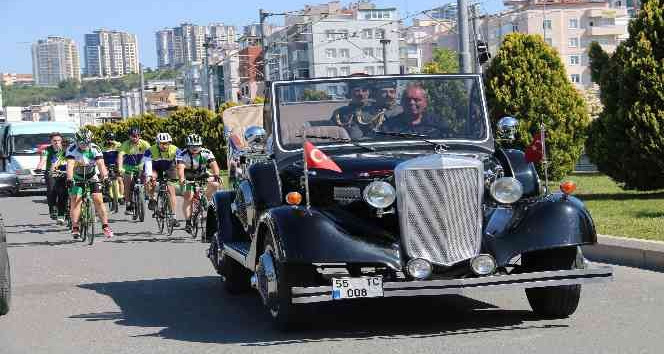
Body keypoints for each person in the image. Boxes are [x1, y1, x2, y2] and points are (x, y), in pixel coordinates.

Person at [65, 129, 114, 239]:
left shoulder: (95, 149)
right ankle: (75, 227)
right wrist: (69, 179)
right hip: (77, 177)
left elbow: (101, 165)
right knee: (75, 199)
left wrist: (105, 177)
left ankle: (105, 226)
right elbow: (70, 165)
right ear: (76, 141)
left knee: (98, 199)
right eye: (81, 143)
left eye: (86, 143)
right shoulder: (72, 149)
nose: (83, 145)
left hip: (91, 175)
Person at [176, 134, 222, 234]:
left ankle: (206, 198)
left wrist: (216, 175)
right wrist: (182, 180)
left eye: (197, 146)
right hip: (188, 176)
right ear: (188, 146)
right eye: (192, 146)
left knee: (215, 184)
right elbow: (180, 169)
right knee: (189, 195)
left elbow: (214, 166)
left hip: (202, 174)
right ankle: (188, 222)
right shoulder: (182, 154)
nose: (195, 148)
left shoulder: (207, 152)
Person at [381, 84, 448, 137]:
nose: (411, 103)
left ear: (425, 103)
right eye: (408, 99)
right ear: (402, 102)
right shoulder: (389, 126)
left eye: (416, 100)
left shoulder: (438, 124)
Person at [144, 132, 180, 227]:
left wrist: (180, 175)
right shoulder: (150, 150)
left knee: (171, 190)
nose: (164, 145)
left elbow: (181, 163)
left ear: (170, 142)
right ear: (157, 143)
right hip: (155, 167)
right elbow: (147, 164)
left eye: (166, 143)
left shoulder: (175, 150)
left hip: (169, 168)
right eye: (161, 143)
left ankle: (173, 217)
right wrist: (149, 176)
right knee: (150, 179)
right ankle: (152, 199)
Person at [36, 132, 68, 224]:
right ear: (51, 141)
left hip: (64, 173)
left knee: (64, 192)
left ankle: (63, 213)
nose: (57, 142)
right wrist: (38, 168)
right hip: (51, 173)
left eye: (59, 140)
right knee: (51, 190)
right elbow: (42, 160)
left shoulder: (66, 150)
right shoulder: (46, 150)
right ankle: (52, 208)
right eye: (54, 141)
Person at [118, 127, 150, 215]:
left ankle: (147, 197)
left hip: (141, 166)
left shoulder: (144, 144)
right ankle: (128, 203)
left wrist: (149, 168)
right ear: (129, 136)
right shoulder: (125, 144)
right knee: (128, 183)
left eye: (137, 136)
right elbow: (120, 155)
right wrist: (120, 168)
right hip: (128, 167)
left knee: (148, 178)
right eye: (133, 136)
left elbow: (150, 156)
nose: (135, 137)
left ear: (139, 136)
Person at [101, 132, 124, 205]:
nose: (110, 141)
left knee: (120, 179)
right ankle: (105, 194)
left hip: (116, 165)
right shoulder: (101, 146)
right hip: (106, 165)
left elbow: (122, 155)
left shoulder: (118, 145)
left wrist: (120, 166)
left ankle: (121, 196)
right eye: (108, 139)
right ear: (105, 139)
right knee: (103, 178)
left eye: (112, 139)